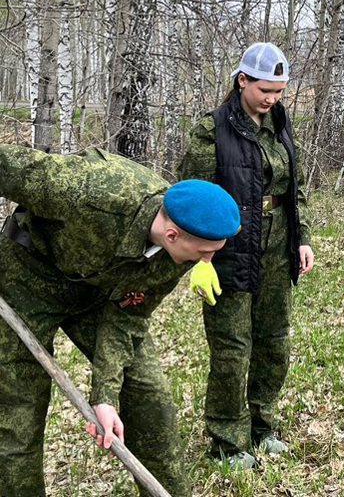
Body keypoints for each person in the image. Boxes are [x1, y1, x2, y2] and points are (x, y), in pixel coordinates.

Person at [0, 145, 240, 497]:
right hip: (25, 279)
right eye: (206, 252)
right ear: (172, 234)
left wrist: (105, 396)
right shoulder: (91, 189)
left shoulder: (178, 253)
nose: (208, 260)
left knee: (150, 399)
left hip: (99, 294)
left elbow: (127, 318)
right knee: (18, 415)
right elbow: (9, 165)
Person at [177, 42, 315, 469]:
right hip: (231, 251)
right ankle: (227, 440)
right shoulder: (212, 129)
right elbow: (191, 197)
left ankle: (262, 425)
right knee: (233, 348)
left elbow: (296, 187)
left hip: (277, 248)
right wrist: (200, 260)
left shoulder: (279, 122)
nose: (272, 98)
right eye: (264, 90)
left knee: (274, 341)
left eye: (279, 90)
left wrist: (303, 237)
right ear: (242, 81)